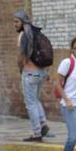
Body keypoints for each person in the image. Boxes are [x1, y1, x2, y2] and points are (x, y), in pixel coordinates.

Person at [14, 10, 50, 142]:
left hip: (29, 73)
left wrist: (20, 71)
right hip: (41, 72)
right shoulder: (36, 33)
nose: (15, 24)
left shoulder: (24, 35)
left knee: (30, 104)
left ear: (24, 22)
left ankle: (36, 133)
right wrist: (46, 71)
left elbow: (22, 56)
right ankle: (43, 123)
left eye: (17, 21)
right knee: (35, 100)